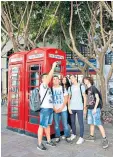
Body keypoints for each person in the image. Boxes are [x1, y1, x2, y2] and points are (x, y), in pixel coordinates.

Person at [83, 76, 109, 149]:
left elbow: (97, 99)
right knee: (91, 123)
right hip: (90, 109)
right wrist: (86, 108)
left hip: (95, 109)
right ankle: (92, 136)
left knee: (98, 123)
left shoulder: (93, 88)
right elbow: (88, 99)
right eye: (84, 80)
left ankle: (105, 139)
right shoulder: (87, 90)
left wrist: (95, 108)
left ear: (89, 80)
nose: (84, 81)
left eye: (86, 79)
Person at [37, 62, 57, 151]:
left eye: (47, 77)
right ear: (42, 80)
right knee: (41, 126)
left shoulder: (48, 87)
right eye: (45, 77)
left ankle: (48, 141)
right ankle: (39, 144)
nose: (47, 78)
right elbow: (49, 77)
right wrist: (53, 67)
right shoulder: (43, 86)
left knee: (48, 125)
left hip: (49, 109)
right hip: (44, 109)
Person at [52, 75, 71, 143]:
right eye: (54, 79)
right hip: (55, 110)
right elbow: (50, 100)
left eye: (57, 79)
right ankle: (57, 136)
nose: (56, 80)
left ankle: (67, 136)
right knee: (56, 125)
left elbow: (66, 98)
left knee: (65, 124)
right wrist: (54, 109)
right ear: (52, 81)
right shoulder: (51, 89)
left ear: (59, 80)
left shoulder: (62, 88)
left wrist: (61, 107)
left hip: (63, 110)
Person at [68, 75, 87, 144]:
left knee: (80, 122)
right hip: (72, 107)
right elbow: (68, 98)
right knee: (72, 122)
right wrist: (69, 107)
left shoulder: (81, 86)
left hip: (79, 107)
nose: (72, 79)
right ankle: (74, 134)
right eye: (70, 78)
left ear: (75, 78)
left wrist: (84, 107)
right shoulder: (70, 88)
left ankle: (81, 137)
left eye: (72, 77)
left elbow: (85, 97)